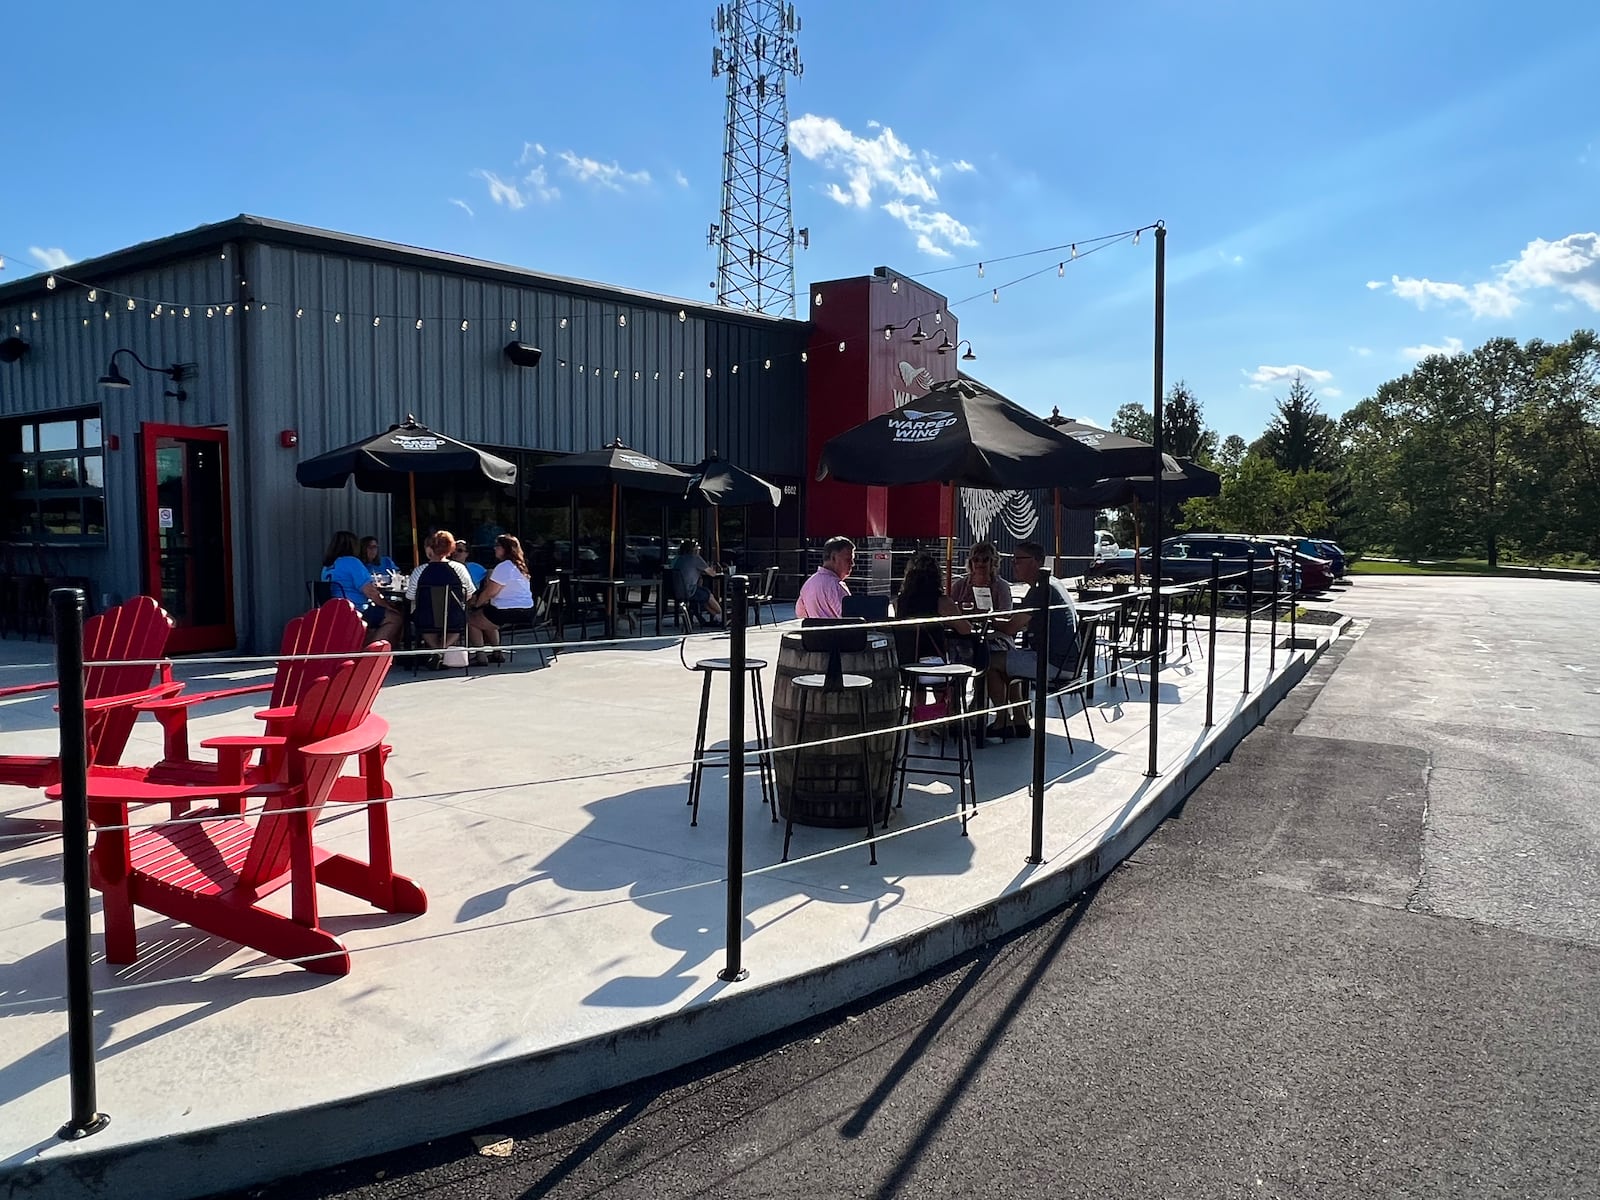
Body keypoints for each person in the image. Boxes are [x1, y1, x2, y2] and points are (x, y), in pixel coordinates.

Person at [983, 540, 1079, 738]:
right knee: (1009, 662)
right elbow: (1024, 623)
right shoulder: (1051, 582)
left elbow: (1011, 628)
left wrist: (987, 619)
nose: (1014, 564)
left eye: (1018, 560)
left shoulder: (1040, 588)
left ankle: (1001, 722)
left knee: (989, 661)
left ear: (1035, 562)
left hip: (1053, 664)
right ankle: (1019, 720)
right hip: (1067, 662)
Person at [894, 552, 969, 745]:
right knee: (951, 667)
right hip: (934, 669)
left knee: (919, 681)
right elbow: (965, 629)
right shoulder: (941, 602)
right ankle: (941, 719)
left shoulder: (899, 602)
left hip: (906, 667)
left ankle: (921, 727)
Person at [321, 530, 404, 646]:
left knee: (375, 622)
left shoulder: (327, 566)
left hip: (335, 611)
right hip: (356, 609)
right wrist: (388, 605)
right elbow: (371, 593)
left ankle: (363, 648)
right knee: (395, 618)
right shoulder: (352, 562)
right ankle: (369, 653)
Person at [404, 530, 477, 663]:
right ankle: (443, 649)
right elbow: (469, 593)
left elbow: (410, 596)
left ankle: (436, 650)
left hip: (427, 617)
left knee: (422, 621)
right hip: (453, 617)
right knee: (459, 622)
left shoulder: (419, 571)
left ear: (429, 549)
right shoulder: (459, 568)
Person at [467, 533, 536, 657]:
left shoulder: (504, 567)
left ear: (505, 549)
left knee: (471, 620)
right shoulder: (520, 566)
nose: (494, 548)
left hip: (509, 611)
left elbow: (490, 592)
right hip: (528, 610)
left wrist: (476, 604)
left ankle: (481, 656)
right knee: (486, 615)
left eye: (497, 545)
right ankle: (497, 653)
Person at [795, 536, 855, 620]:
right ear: (833, 557)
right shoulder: (836, 586)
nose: (852, 564)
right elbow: (852, 620)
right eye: (848, 559)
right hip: (836, 632)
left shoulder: (808, 584)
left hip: (813, 632)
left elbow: (801, 614)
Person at [669, 538, 722, 626]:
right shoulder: (696, 558)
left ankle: (718, 617)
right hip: (690, 590)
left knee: (704, 597)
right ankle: (722, 615)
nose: (699, 549)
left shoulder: (679, 559)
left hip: (676, 591)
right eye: (697, 547)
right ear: (694, 549)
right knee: (708, 595)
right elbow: (712, 574)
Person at [949, 541, 1014, 614]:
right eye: (976, 560)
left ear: (993, 562)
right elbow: (949, 609)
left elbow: (1005, 613)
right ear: (970, 563)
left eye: (985, 560)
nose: (980, 563)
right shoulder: (959, 585)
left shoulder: (1002, 586)